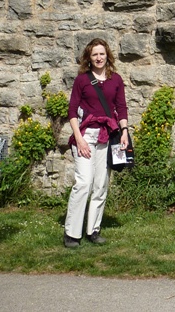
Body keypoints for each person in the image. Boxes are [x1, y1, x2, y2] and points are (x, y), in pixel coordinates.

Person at [63, 38, 128, 248]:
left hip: (106, 137)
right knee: (83, 183)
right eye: (94, 55)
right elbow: (72, 111)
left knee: (101, 185)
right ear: (88, 58)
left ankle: (93, 230)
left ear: (107, 55)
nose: (99, 58)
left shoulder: (116, 79)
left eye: (102, 54)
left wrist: (125, 131)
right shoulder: (82, 80)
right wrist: (79, 139)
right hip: (85, 136)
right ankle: (72, 233)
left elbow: (122, 108)